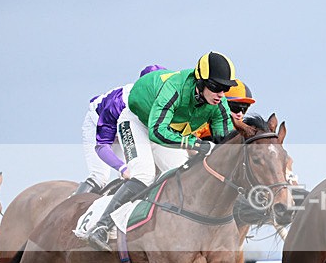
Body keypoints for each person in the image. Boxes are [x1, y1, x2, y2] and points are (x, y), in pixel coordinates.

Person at [85, 51, 238, 251]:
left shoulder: (219, 103)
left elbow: (226, 139)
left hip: (167, 126)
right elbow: (157, 132)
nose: (221, 94)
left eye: (225, 88)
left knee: (184, 175)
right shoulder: (175, 88)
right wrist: (196, 144)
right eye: (216, 87)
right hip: (137, 121)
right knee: (144, 175)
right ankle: (102, 225)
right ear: (200, 82)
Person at [75, 65, 166, 195]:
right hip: (98, 124)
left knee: (139, 171)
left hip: (124, 127)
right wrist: (122, 168)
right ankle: (73, 204)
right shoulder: (118, 103)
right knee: (100, 176)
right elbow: (102, 146)